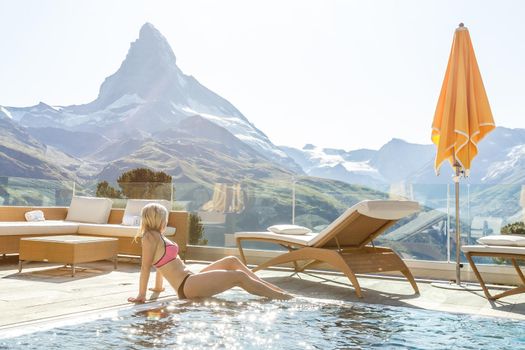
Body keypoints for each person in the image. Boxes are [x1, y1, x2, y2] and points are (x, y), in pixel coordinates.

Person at [128, 203, 292, 303]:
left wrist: (158, 288)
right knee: (238, 277)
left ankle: (271, 288)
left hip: (191, 278)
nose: (166, 221)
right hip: (187, 286)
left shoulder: (159, 237)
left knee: (231, 260)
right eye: (165, 217)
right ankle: (283, 298)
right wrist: (141, 294)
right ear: (158, 219)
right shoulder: (149, 236)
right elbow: (145, 267)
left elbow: (161, 263)